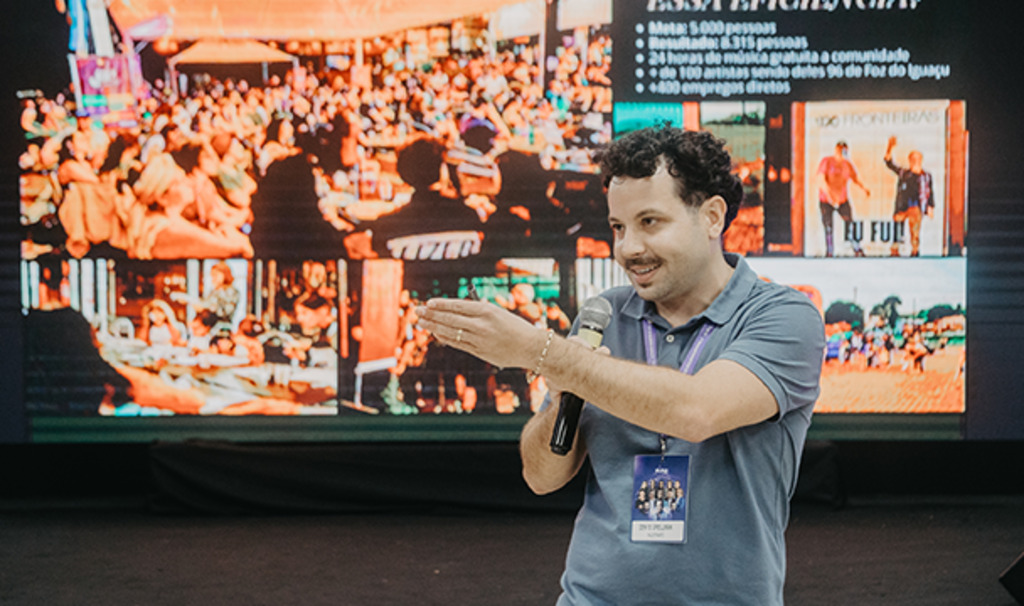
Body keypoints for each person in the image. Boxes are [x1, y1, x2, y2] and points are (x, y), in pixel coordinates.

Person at [415, 125, 825, 605]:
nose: (628, 248)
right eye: (617, 227)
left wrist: (539, 351)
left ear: (713, 216)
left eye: (650, 222)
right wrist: (563, 389)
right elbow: (542, 477)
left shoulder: (783, 316)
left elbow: (695, 412)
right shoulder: (602, 314)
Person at [884, 136, 935, 257]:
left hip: (916, 207)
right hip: (902, 206)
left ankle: (915, 250)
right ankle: (895, 250)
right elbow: (889, 163)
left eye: (917, 159)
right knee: (897, 228)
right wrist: (890, 147)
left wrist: (930, 206)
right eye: (913, 159)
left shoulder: (926, 176)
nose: (915, 161)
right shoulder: (904, 173)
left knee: (915, 231)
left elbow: (930, 192)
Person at [817, 140, 869, 257]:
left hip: (842, 199)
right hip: (827, 200)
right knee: (828, 225)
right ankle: (829, 250)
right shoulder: (827, 161)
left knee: (849, 222)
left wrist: (864, 189)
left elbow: (855, 178)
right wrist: (830, 195)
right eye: (841, 151)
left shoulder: (847, 165)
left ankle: (856, 247)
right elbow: (821, 180)